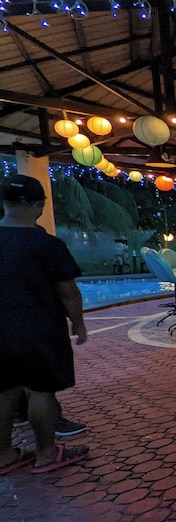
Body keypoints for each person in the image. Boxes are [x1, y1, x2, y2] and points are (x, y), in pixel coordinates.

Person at [0, 175, 90, 474]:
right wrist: (78, 323)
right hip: (39, 331)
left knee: (4, 392)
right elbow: (68, 292)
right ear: (39, 205)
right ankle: (47, 453)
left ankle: (4, 455)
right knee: (41, 391)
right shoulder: (47, 245)